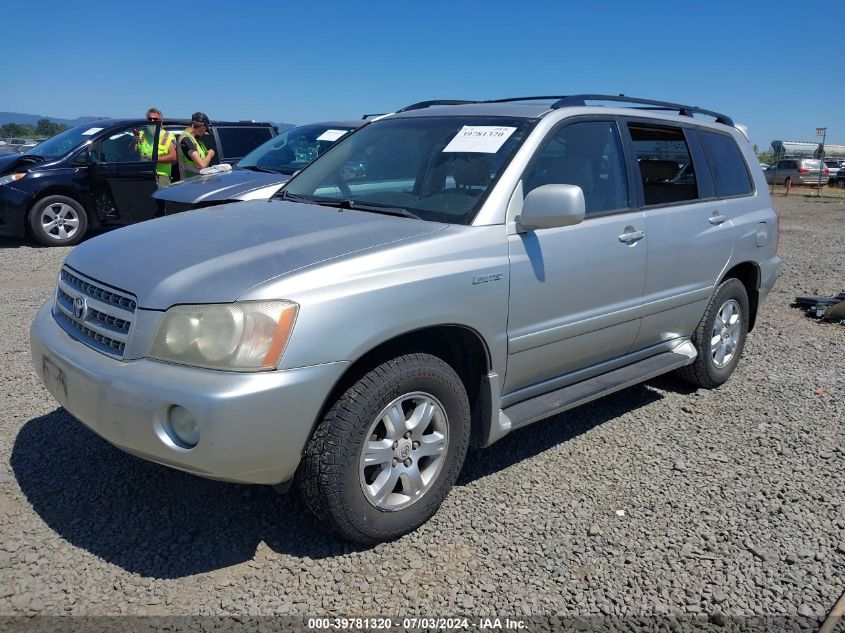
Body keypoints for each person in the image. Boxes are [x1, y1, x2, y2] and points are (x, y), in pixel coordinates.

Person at [136, 108, 177, 188]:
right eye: (150, 119)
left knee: (160, 199)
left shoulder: (168, 136)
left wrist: (153, 159)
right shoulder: (141, 134)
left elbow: (173, 157)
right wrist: (134, 141)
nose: (152, 121)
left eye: (155, 119)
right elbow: (132, 153)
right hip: (143, 175)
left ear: (161, 121)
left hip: (161, 176)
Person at [177, 112, 216, 180]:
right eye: (205, 129)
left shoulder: (195, 140)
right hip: (190, 182)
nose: (204, 132)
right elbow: (202, 165)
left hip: (198, 181)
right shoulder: (186, 139)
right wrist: (210, 154)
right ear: (202, 125)